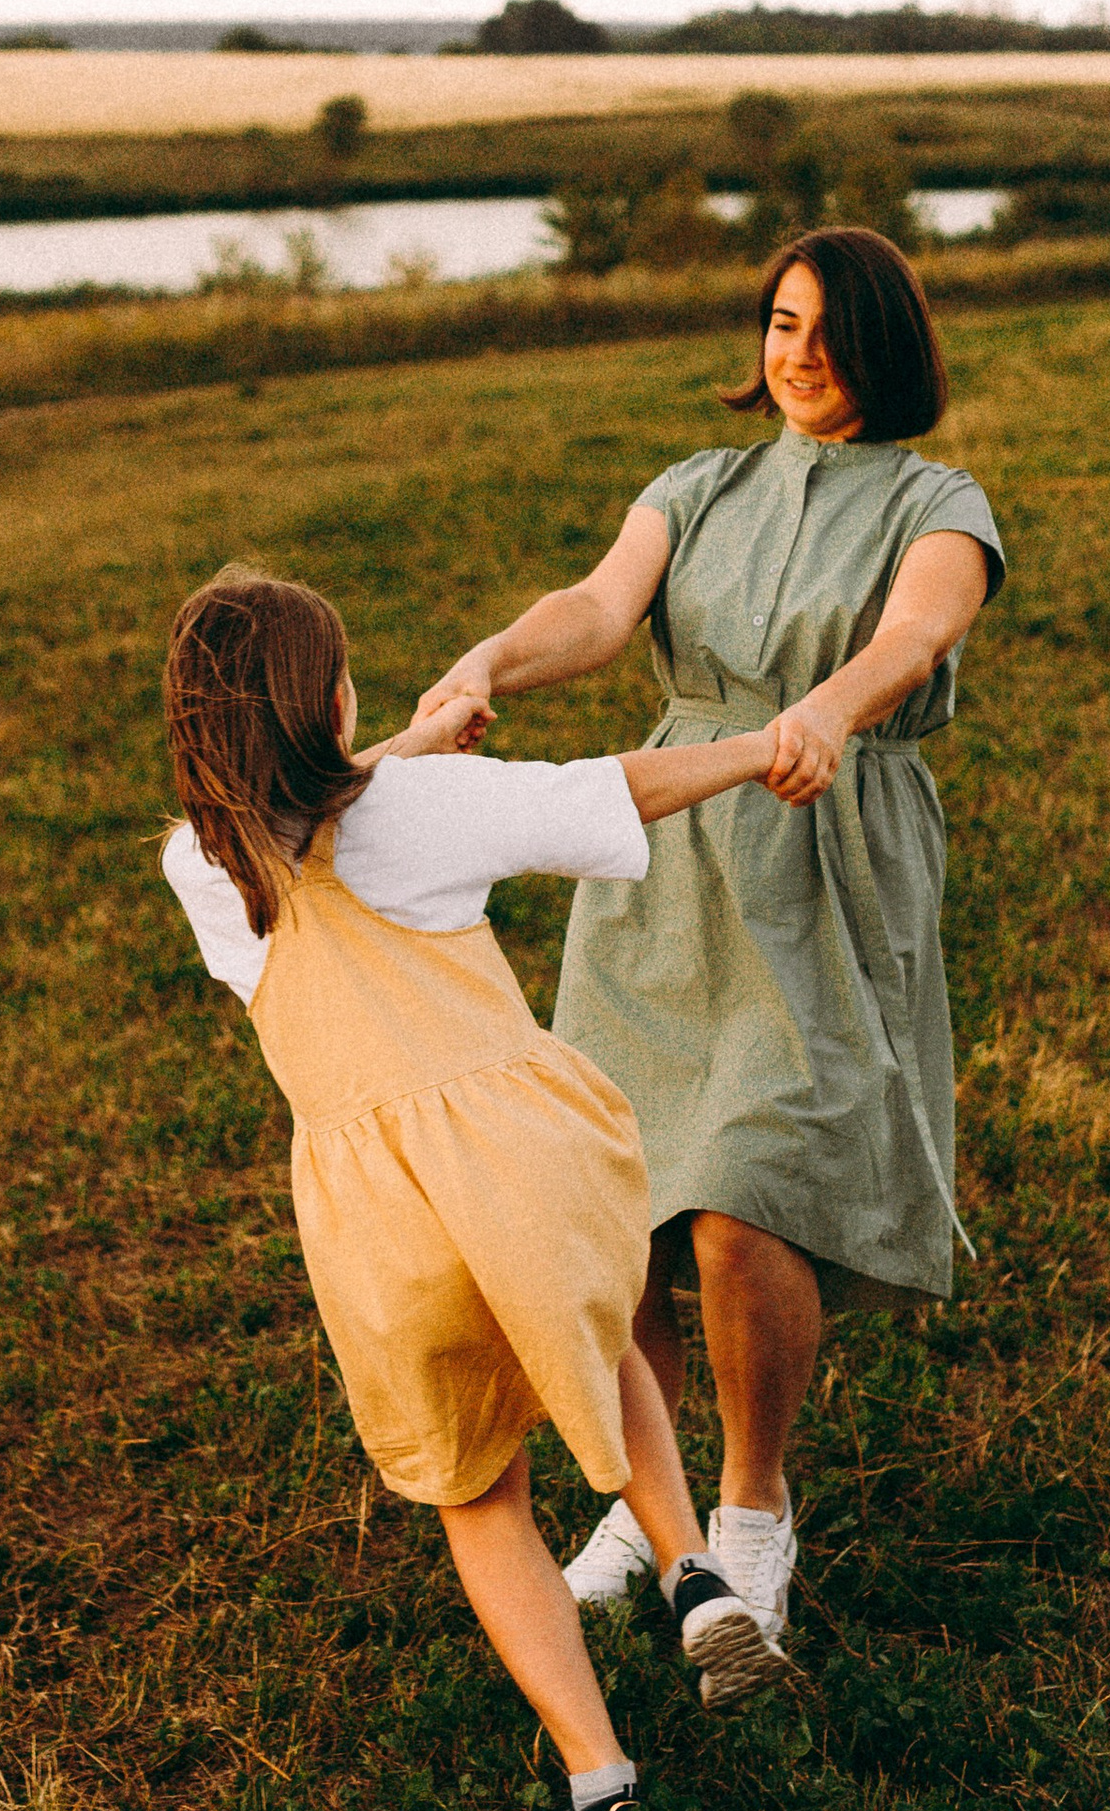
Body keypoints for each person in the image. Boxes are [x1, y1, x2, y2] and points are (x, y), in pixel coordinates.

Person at [413, 227, 1001, 1657]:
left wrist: (828, 710)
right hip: (665, 852)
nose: (800, 354)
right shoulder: (697, 486)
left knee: (746, 1202)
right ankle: (649, 1505)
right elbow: (597, 609)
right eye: (782, 323)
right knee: (627, 1202)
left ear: (887, 347)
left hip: (826, 846)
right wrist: (490, 661)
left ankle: (750, 1510)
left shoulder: (940, 503)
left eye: (830, 331)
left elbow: (915, 637)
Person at [158, 561, 796, 1811]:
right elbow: (610, 790)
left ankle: (600, 1788)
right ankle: (692, 1571)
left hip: (381, 1226)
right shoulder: (424, 809)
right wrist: (763, 746)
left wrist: (406, 743)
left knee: (481, 1490)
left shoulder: (200, 866)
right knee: (598, 1333)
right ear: (332, 705)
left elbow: (309, 807)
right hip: (521, 1162)